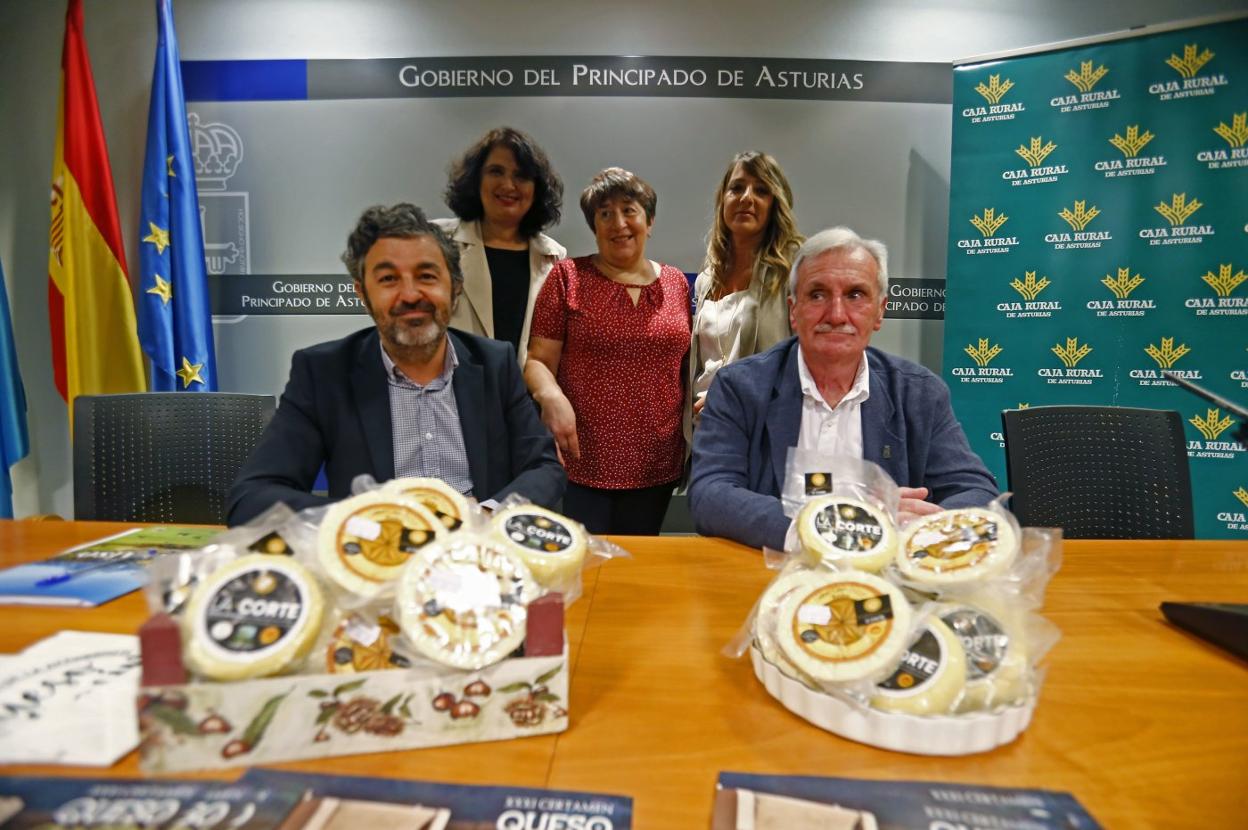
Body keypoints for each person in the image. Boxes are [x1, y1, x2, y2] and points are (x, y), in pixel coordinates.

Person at [227, 203, 565, 526]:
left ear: (455, 288)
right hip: (375, 561)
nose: (410, 294)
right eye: (388, 279)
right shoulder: (323, 373)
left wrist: (487, 517)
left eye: (427, 276)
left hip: (478, 556)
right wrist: (372, 520)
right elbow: (252, 497)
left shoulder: (495, 363)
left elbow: (544, 468)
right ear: (363, 293)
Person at [688, 226, 998, 551]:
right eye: (818, 294)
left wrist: (916, 530)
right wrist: (823, 529)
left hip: (886, 577)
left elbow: (977, 493)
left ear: (880, 311)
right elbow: (710, 494)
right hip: (772, 573)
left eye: (855, 295)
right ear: (794, 310)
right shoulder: (741, 386)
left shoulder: (919, 394)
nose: (836, 314)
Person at [525, 168, 690, 535]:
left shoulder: (676, 283)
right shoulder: (567, 278)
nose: (619, 223)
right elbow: (537, 360)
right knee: (589, 566)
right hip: (585, 458)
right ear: (594, 226)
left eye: (629, 210)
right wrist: (551, 396)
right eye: (605, 214)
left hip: (658, 459)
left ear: (650, 221)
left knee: (641, 566)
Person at [687, 151, 803, 439]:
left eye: (761, 190)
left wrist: (728, 399)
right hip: (705, 433)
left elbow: (804, 362)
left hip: (763, 432)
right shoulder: (706, 279)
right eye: (736, 188)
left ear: (775, 202)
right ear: (722, 199)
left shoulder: (794, 270)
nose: (746, 197)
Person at [436, 126, 566, 366]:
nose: (508, 185)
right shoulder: (436, 240)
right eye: (496, 172)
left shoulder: (554, 256)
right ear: (476, 180)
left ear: (536, 188)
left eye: (521, 176)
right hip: (450, 396)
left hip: (523, 399)